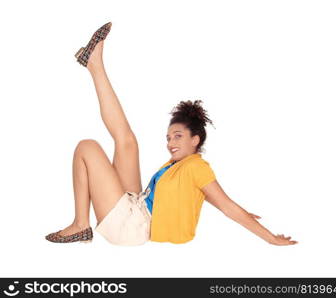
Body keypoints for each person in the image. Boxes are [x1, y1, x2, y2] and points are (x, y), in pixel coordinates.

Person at [45, 22, 298, 246]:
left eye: (177, 136)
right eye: (168, 137)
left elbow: (226, 206)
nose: (170, 143)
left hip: (131, 227)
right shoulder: (185, 168)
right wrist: (238, 209)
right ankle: (94, 65)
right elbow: (209, 196)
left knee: (87, 147)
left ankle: (80, 224)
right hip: (137, 208)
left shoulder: (196, 168)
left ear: (195, 140)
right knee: (128, 142)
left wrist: (270, 238)